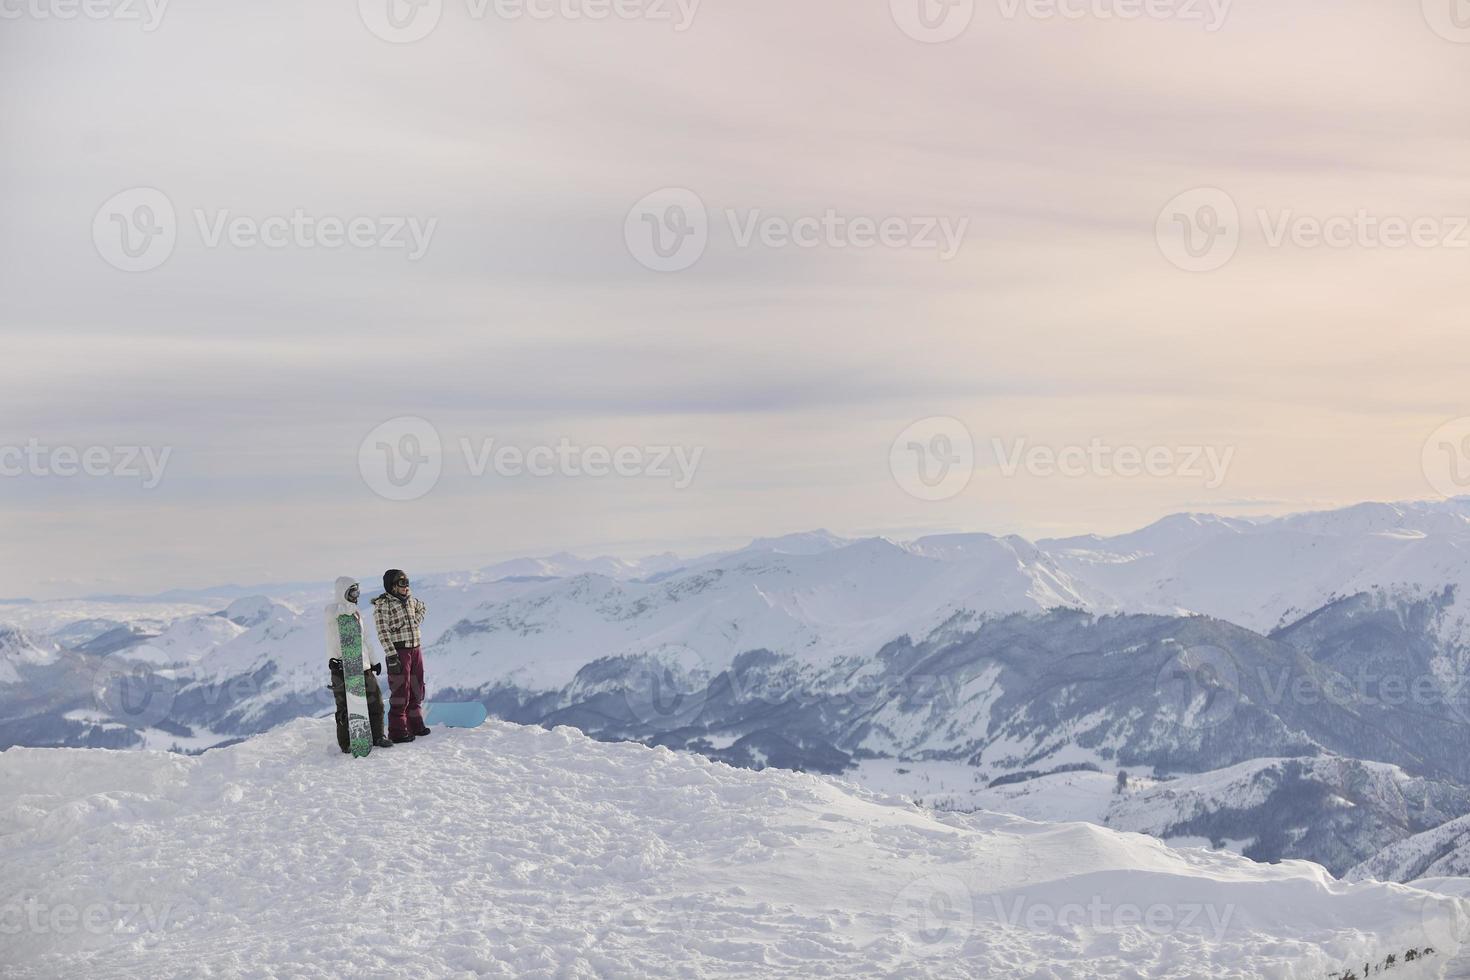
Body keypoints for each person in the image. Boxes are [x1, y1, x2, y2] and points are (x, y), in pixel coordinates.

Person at [325, 576, 393, 752]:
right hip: (342, 668)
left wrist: (374, 661)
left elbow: (365, 640)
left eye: (358, 591)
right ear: (343, 592)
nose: (357, 595)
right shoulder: (332, 611)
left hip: (363, 666)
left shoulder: (356, 613)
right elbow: (341, 611)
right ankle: (347, 742)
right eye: (353, 591)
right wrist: (349, 605)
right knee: (345, 708)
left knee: (376, 703)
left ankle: (378, 736)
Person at [373, 568, 429, 742]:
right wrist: (391, 655)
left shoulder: (411, 600)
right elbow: (383, 632)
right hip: (399, 651)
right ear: (392, 586)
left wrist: (414, 621)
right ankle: (397, 731)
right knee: (401, 692)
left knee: (417, 688)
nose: (406, 587)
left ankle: (415, 724)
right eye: (401, 583)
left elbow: (423, 608)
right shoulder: (384, 604)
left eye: (407, 583)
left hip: (415, 649)